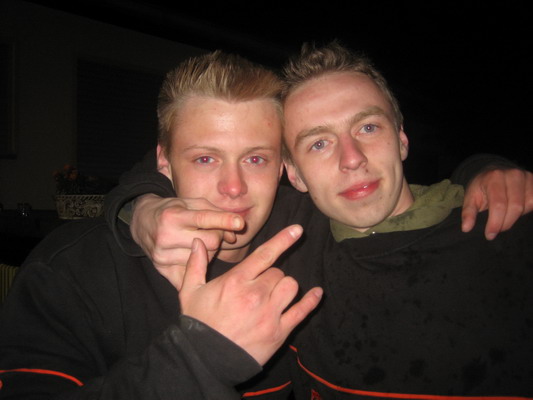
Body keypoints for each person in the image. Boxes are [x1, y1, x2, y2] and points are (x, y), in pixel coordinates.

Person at [113, 42, 533, 399]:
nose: (352, 159)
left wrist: (486, 166)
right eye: (318, 143)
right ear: (293, 174)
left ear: (402, 138)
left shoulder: (507, 229)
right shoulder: (291, 243)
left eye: (368, 127)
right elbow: (182, 150)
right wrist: (142, 204)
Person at [0, 51, 322, 399]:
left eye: (255, 159)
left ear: (280, 167)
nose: (233, 187)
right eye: (205, 159)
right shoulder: (70, 269)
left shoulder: (312, 238)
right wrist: (199, 358)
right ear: (163, 162)